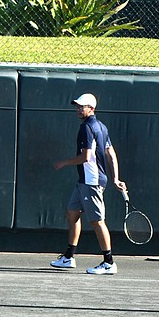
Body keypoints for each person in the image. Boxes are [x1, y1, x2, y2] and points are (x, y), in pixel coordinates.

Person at [50, 92, 126, 275]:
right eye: (77, 106)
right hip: (84, 181)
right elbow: (111, 153)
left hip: (91, 182)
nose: (78, 109)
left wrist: (64, 162)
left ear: (91, 109)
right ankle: (68, 257)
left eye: (81, 106)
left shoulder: (87, 128)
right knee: (72, 213)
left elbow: (86, 157)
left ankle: (109, 262)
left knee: (97, 222)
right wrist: (115, 178)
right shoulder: (101, 127)